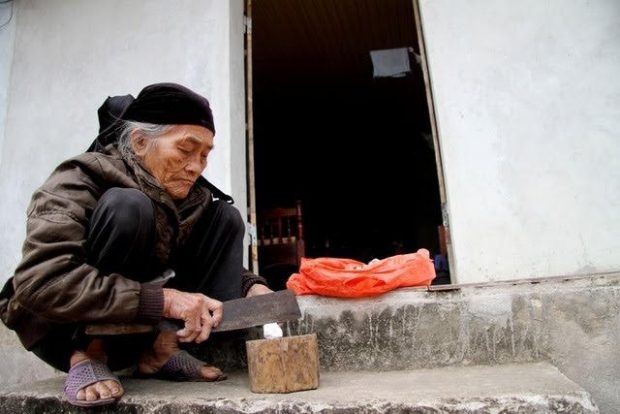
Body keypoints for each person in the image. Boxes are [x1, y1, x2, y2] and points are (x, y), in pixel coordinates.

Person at [0, 83, 273, 407]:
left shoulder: (189, 197)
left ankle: (160, 350)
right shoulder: (78, 180)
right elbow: (42, 282)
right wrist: (165, 301)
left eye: (204, 155)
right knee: (129, 208)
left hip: (138, 327)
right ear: (140, 142)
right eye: (186, 150)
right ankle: (89, 355)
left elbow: (192, 255)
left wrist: (249, 285)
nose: (196, 166)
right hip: (62, 331)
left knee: (225, 217)